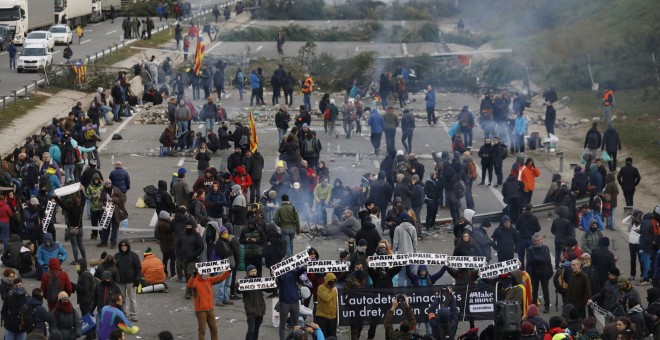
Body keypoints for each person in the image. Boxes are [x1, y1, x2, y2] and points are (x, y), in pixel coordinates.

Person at [187, 267, 230, 340]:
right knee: (202, 331)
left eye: (206, 272)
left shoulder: (208, 280)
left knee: (214, 330)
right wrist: (193, 275)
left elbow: (220, 278)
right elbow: (189, 285)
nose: (206, 274)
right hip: (201, 311)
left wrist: (228, 271)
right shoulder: (195, 281)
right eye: (204, 272)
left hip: (210, 309)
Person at [177, 222, 204, 299]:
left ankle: (189, 291)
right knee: (187, 275)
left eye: (190, 226)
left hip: (192, 259)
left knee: (190, 274)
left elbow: (201, 247)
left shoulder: (196, 235)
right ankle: (193, 289)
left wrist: (194, 255)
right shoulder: (182, 234)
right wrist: (180, 253)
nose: (188, 228)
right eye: (187, 226)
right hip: (184, 259)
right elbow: (177, 244)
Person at [526, 235, 553, 313]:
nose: (540, 241)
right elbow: (530, 261)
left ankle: (547, 306)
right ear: (534, 241)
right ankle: (534, 306)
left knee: (545, 290)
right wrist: (539, 259)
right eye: (538, 240)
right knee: (534, 290)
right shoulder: (530, 249)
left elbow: (546, 259)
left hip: (544, 272)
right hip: (534, 273)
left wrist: (537, 258)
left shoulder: (545, 248)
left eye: (541, 239)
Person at [315, 272, 338, 338]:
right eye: (331, 281)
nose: (332, 283)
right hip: (322, 316)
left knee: (332, 336)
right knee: (323, 335)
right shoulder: (321, 288)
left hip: (332, 317)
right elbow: (326, 298)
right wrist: (333, 291)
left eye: (334, 281)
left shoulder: (334, 289)